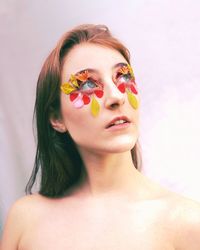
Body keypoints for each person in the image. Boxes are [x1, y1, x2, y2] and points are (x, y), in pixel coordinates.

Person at [1, 24, 200, 250]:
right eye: (87, 84)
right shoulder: (25, 220)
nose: (116, 97)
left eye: (123, 76)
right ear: (56, 117)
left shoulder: (187, 223)